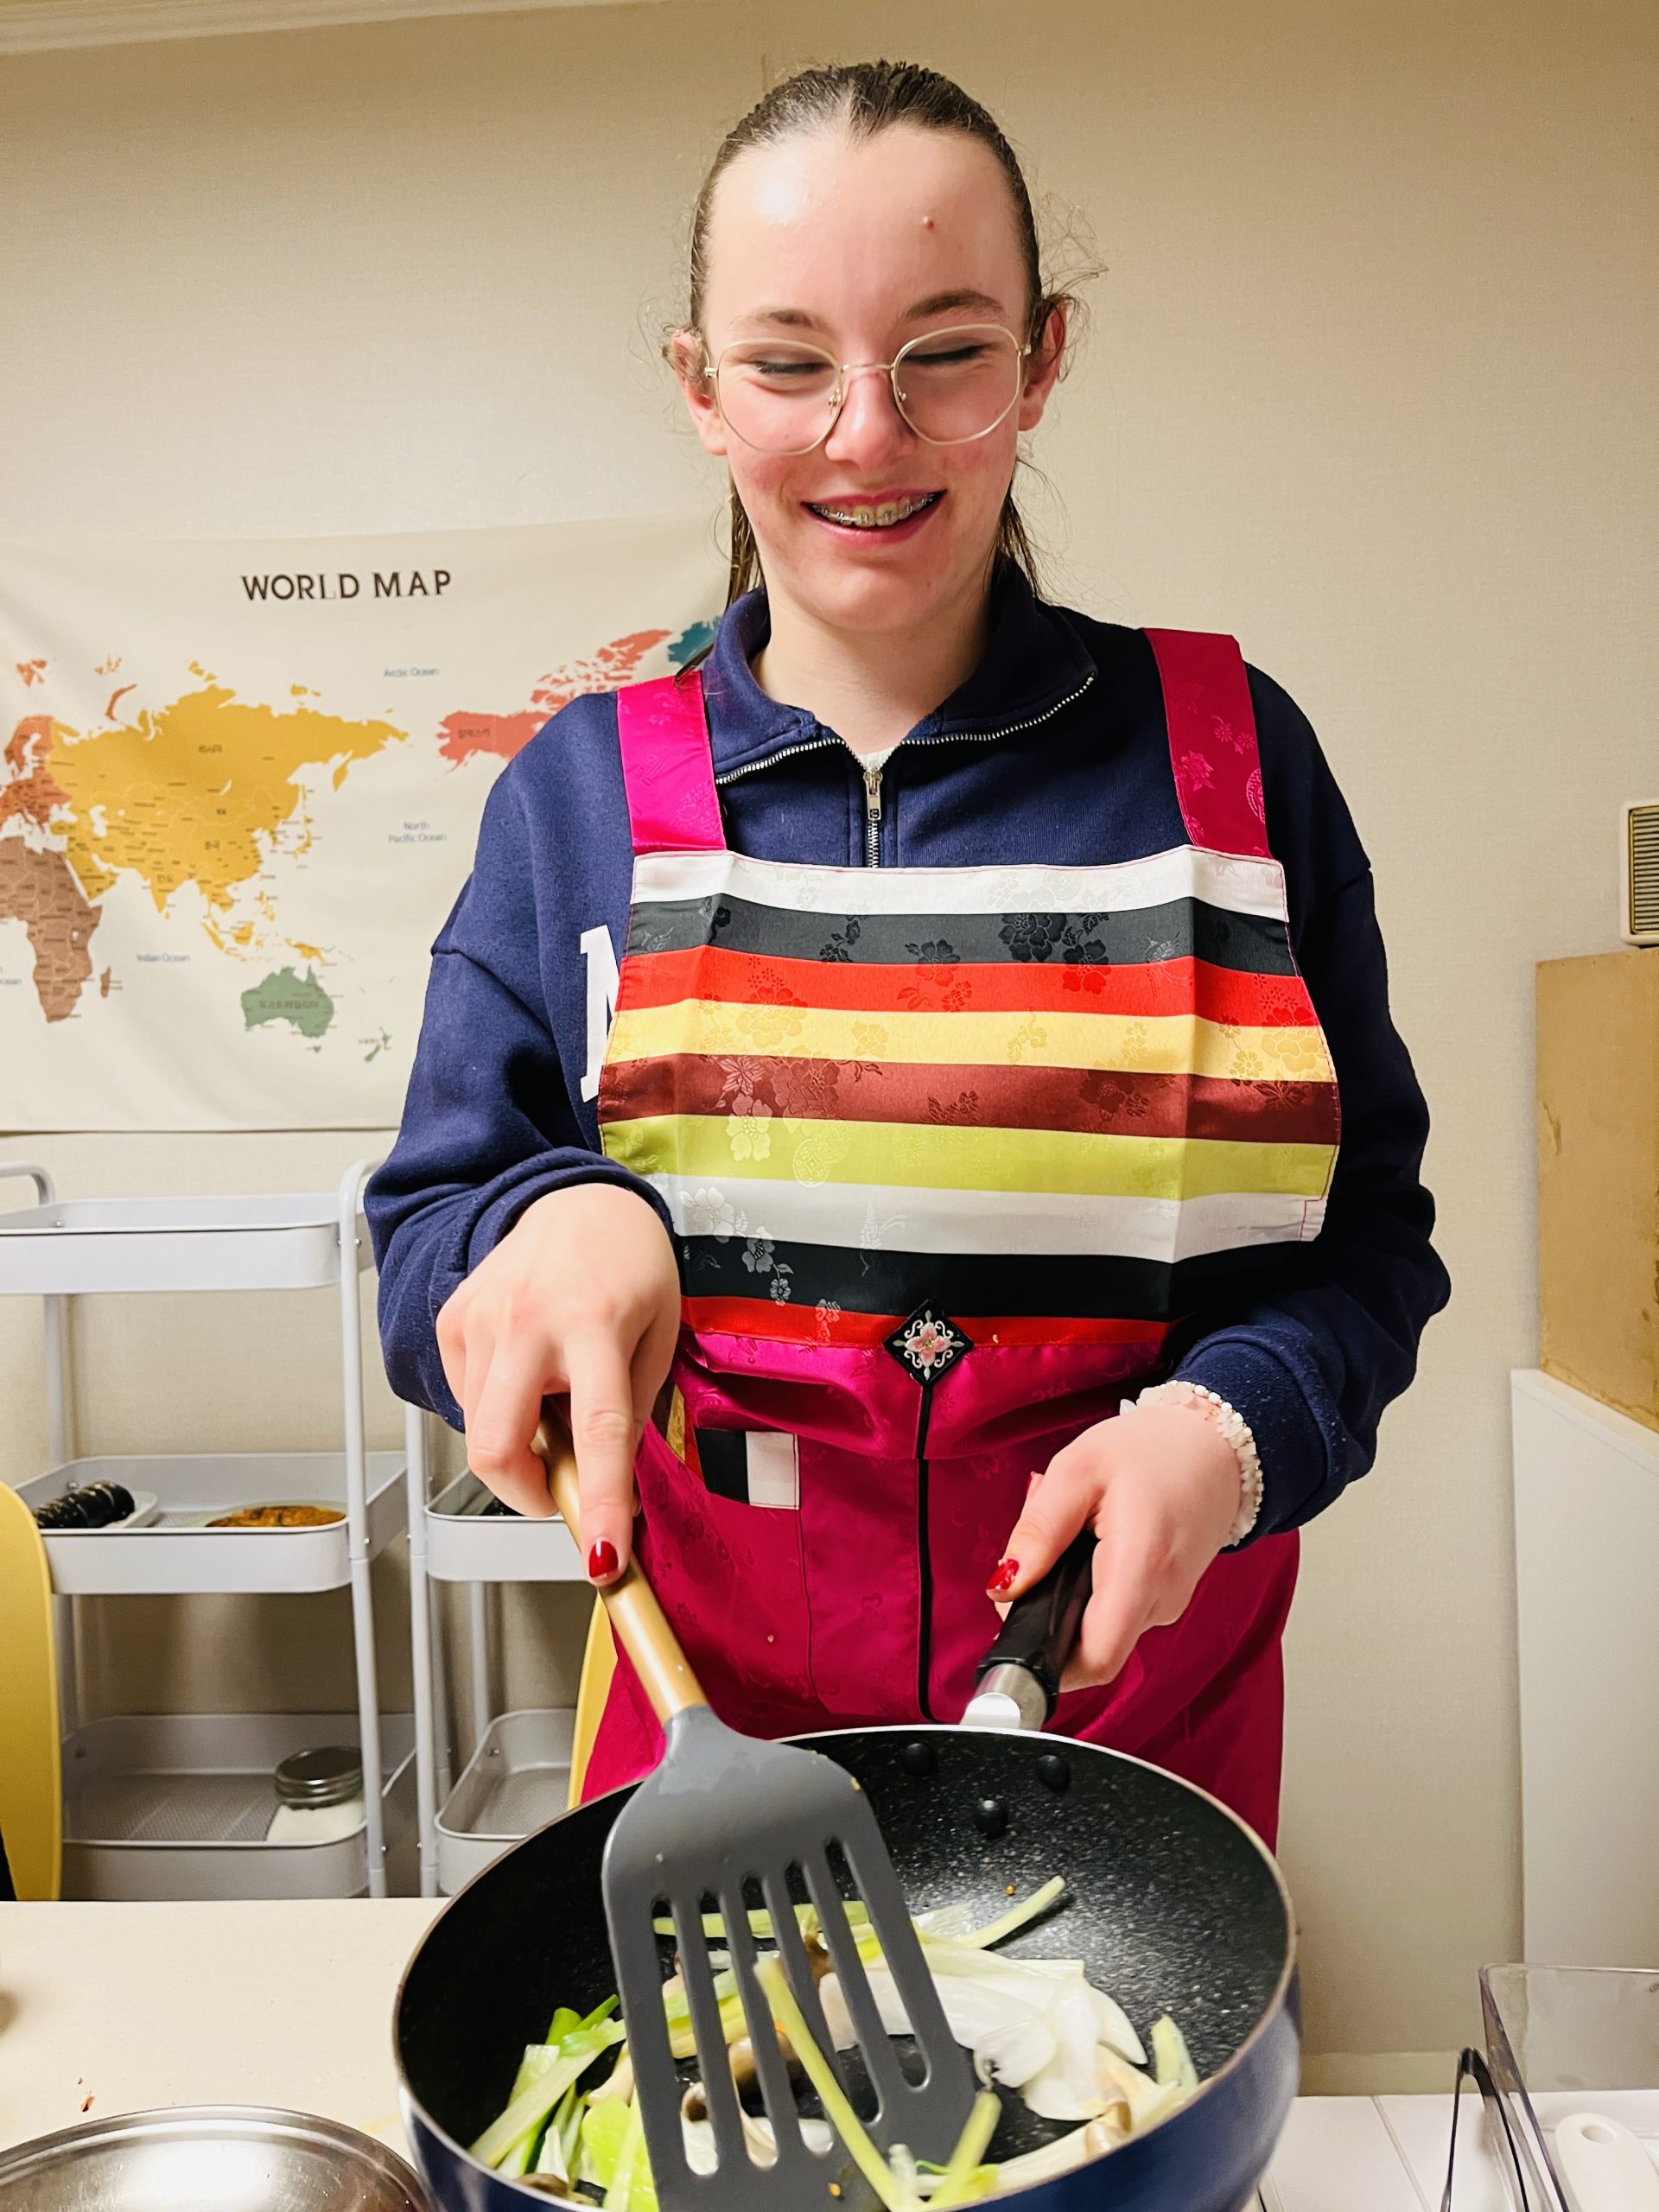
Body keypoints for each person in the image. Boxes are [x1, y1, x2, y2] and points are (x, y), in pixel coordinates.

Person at [366, 59, 1449, 1847]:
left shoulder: (1234, 765)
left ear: (1042, 360)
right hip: (717, 1811)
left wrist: (1237, 1426)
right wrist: (544, 1224)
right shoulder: (575, 802)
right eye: (789, 360)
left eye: (943, 349)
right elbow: (429, 1235)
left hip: (1135, 1775)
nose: (867, 432)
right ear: (701, 392)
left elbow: (1369, 1249)